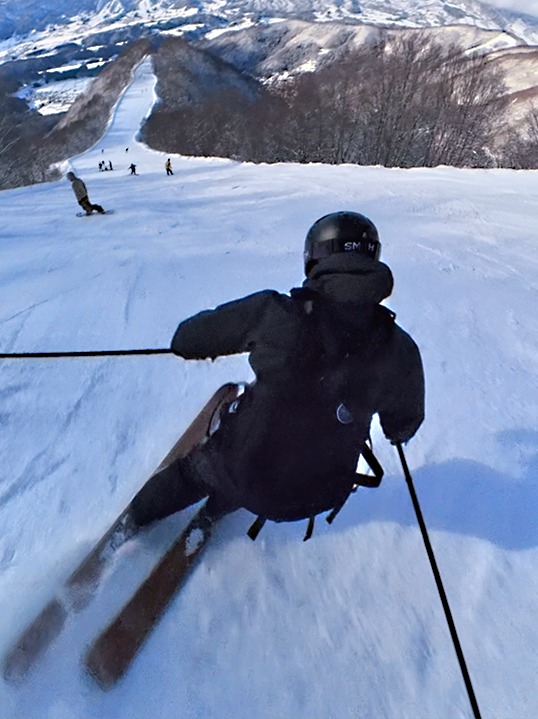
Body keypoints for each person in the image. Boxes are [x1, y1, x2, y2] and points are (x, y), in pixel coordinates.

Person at [125, 211, 424, 536]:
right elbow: (402, 427)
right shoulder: (400, 349)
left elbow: (188, 338)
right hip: (323, 491)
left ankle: (136, 518)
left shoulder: (277, 313)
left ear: (316, 257)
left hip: (245, 471)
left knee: (197, 472)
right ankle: (225, 503)